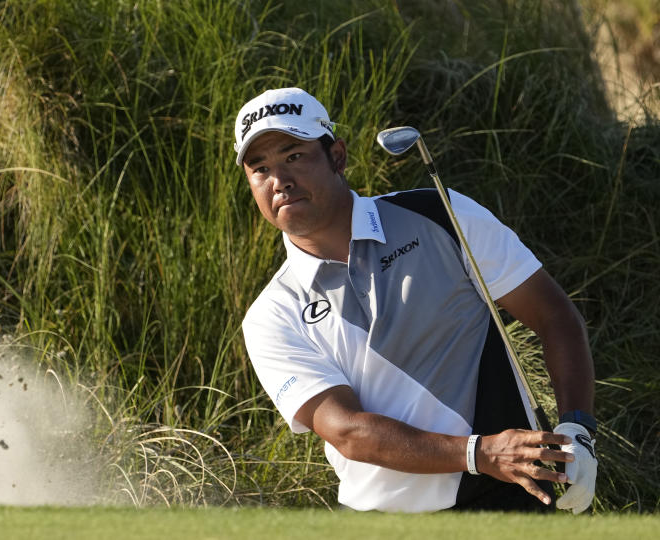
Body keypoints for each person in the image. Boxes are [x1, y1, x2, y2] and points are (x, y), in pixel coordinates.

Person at [236, 87, 598, 513]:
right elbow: (347, 430)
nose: (279, 180)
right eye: (260, 168)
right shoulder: (270, 316)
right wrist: (480, 453)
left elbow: (554, 316)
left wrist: (578, 428)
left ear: (337, 156)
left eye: (294, 156)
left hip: (513, 496)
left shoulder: (440, 214)